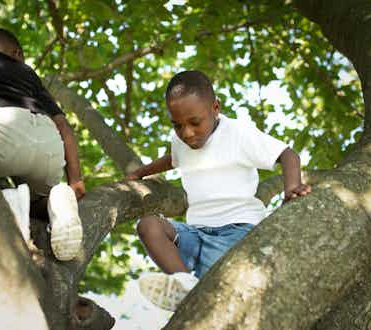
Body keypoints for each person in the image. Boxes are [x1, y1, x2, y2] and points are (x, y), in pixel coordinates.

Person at [126, 70, 311, 311]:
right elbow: (172, 159)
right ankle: (184, 283)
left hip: (236, 230)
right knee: (148, 225)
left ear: (215, 108)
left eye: (194, 122)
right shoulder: (180, 141)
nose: (187, 133)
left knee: (214, 292)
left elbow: (287, 155)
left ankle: (196, 298)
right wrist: (140, 173)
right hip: (196, 232)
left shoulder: (237, 134)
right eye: (177, 125)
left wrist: (292, 188)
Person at [0, 28, 83, 261]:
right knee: (40, 198)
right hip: (47, 141)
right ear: (17, 53)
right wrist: (75, 180)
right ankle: (54, 202)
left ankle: (7, 200)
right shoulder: (28, 74)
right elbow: (64, 127)